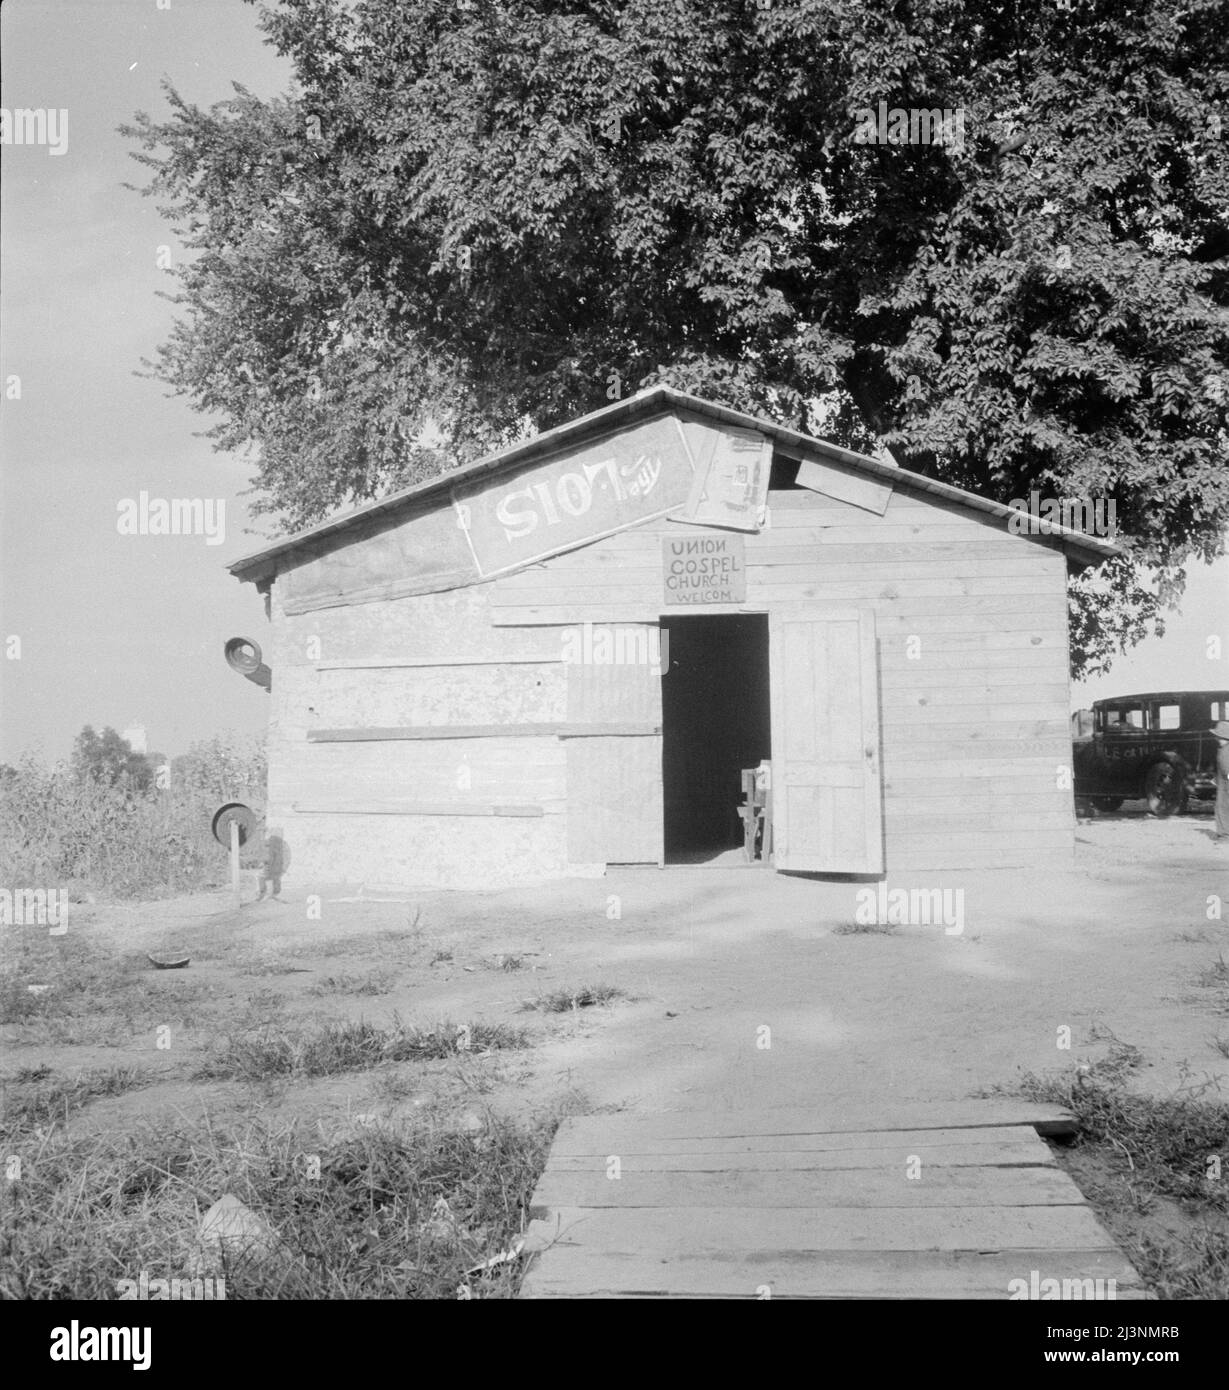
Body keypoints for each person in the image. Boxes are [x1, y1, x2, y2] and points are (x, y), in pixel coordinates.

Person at [1215, 722, 1229, 842]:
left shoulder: (1224, 751)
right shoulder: (1224, 748)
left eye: (1219, 737)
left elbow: (1226, 769)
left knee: (1222, 807)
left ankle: (1224, 836)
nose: (1217, 739)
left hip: (1225, 784)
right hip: (1223, 782)